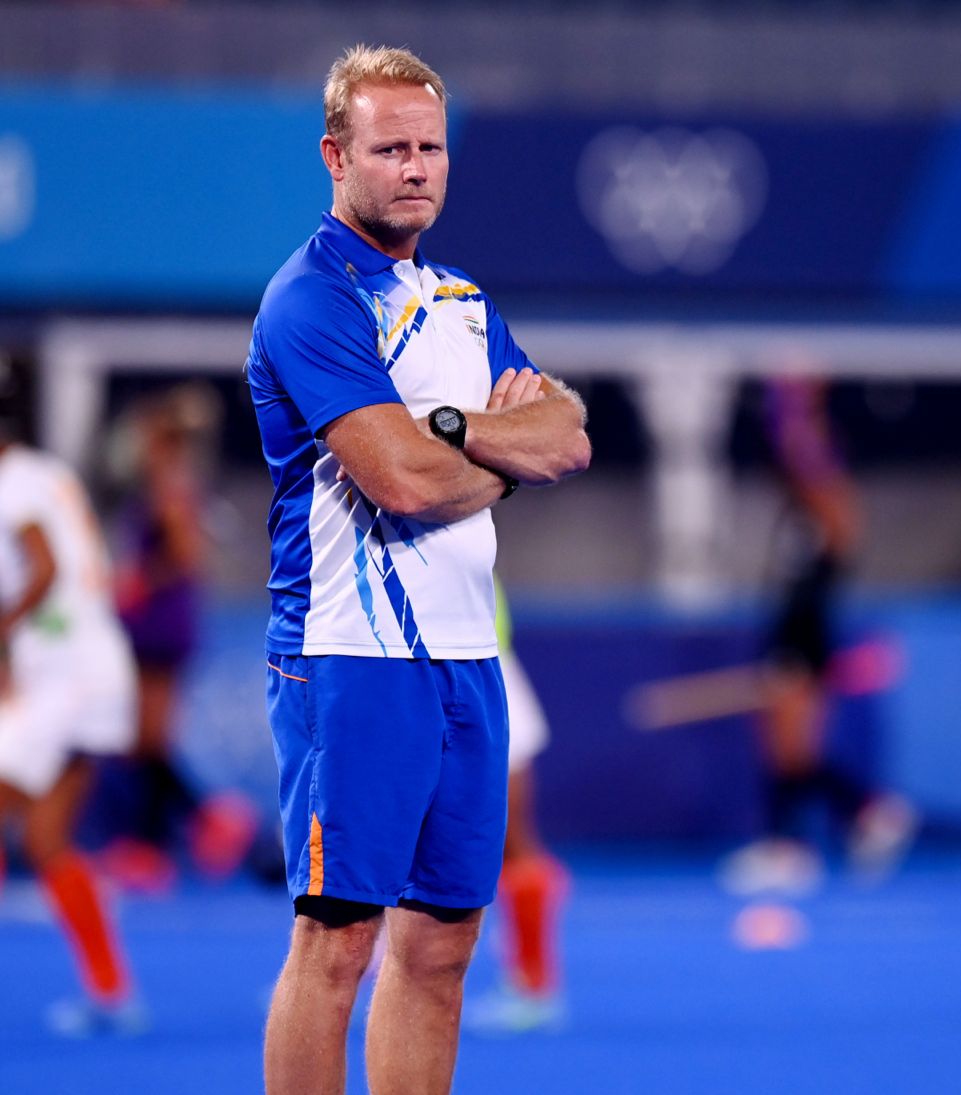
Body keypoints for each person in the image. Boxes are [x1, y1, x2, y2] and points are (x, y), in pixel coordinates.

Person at [244, 44, 589, 1095]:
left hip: (463, 655)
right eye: (389, 148)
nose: (415, 167)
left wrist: (453, 433)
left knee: (440, 947)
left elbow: (568, 434)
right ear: (334, 155)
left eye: (430, 147)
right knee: (339, 943)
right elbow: (395, 478)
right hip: (349, 658)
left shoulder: (463, 303)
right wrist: (497, 445)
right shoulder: (310, 300)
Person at [719, 376, 916, 896]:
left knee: (789, 746)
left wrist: (802, 410)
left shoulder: (829, 507)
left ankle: (807, 839)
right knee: (784, 748)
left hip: (803, 634)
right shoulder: (794, 514)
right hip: (787, 627)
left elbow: (811, 463)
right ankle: (859, 817)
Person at [0, 419, 144, 1035]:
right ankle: (111, 993)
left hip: (68, 678)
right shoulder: (46, 471)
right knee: (47, 839)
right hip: (94, 667)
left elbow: (46, 565)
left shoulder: (11, 485)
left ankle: (112, 992)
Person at [101, 383, 257, 890]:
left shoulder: (171, 487)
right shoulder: (164, 484)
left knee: (148, 738)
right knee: (143, 740)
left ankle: (179, 835)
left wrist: (140, 581)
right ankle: (190, 828)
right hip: (158, 621)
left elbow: (185, 555)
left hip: (161, 622)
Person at [464, 579, 568, 1034]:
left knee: (513, 842)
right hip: (428, 675)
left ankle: (534, 982)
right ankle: (363, 969)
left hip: (484, 674)